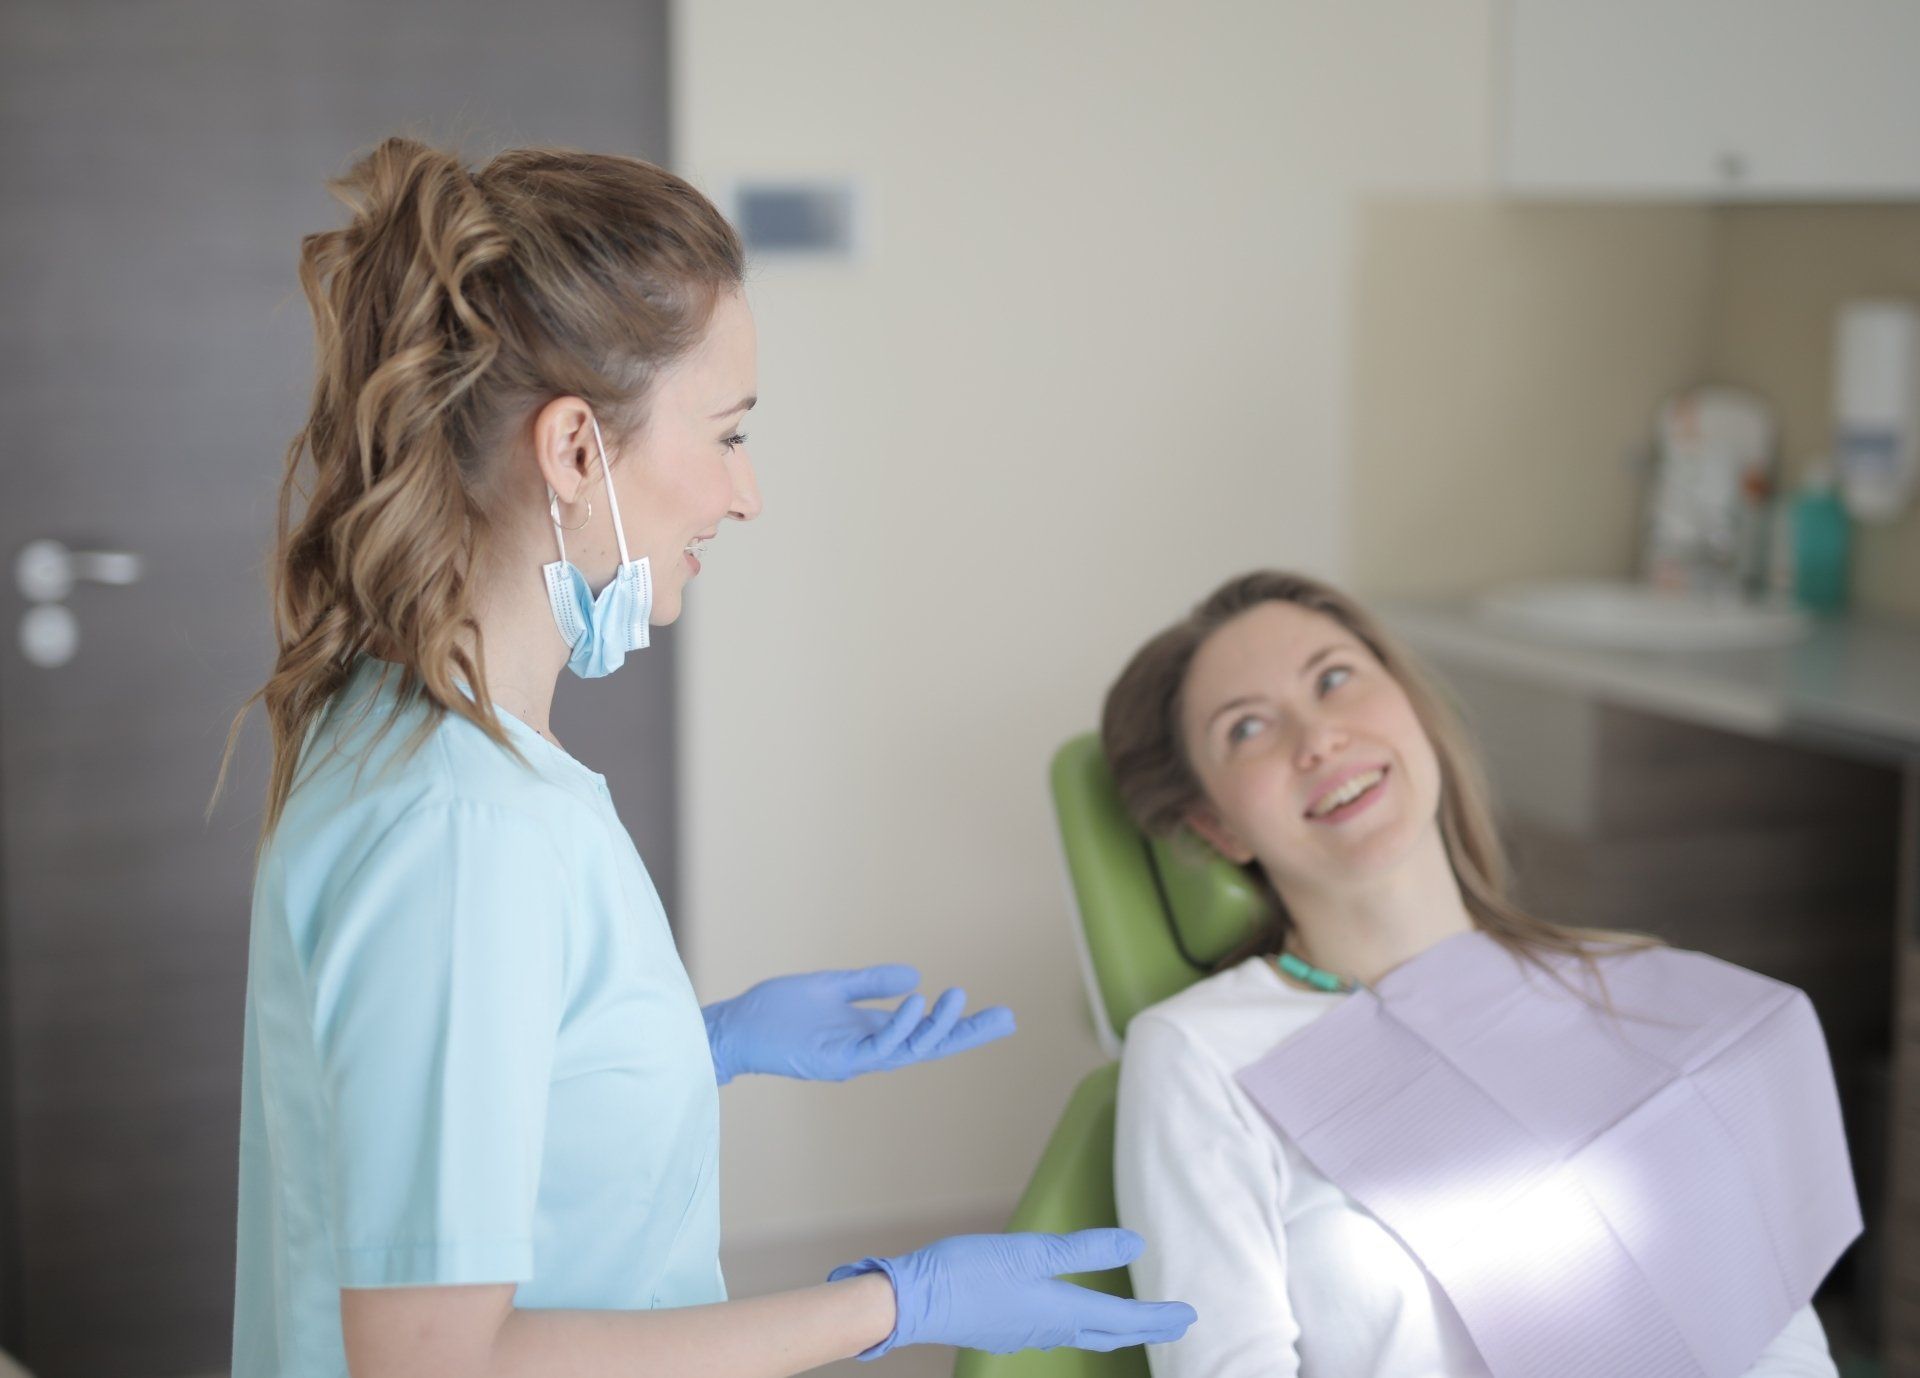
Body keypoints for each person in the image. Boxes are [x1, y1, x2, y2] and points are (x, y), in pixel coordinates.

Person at [215, 136, 1196, 1378]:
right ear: (576, 451)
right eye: (728, 433)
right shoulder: (464, 827)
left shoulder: (412, 728)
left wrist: (695, 1042)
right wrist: (902, 1301)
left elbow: (446, 1092)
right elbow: (432, 1360)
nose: (747, 495)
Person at [1101, 569, 1858, 1378]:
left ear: (1415, 709)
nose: (1317, 739)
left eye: (1333, 679)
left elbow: (1769, 1333)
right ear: (1218, 825)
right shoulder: (1204, 1055)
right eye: (1247, 728)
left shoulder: (1628, 994)